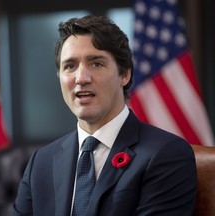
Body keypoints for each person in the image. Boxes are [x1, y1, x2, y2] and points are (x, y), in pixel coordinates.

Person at [13, 15, 197, 216]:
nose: (81, 78)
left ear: (124, 74)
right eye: (70, 66)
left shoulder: (167, 153)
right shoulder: (41, 162)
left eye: (96, 63)